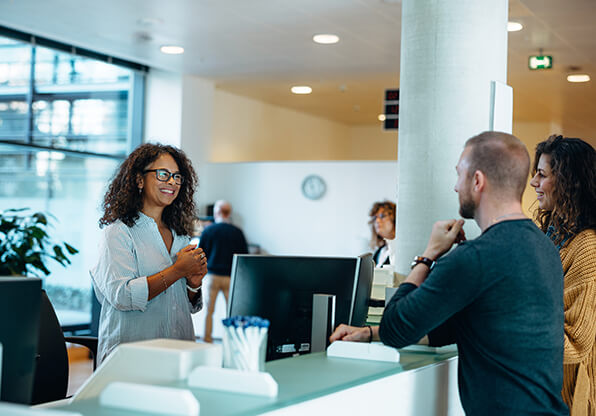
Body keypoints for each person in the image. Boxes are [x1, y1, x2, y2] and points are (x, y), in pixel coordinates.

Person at [331, 131, 568, 415]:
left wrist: (428, 255)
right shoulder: (545, 247)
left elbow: (396, 328)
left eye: (459, 174)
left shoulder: (475, 257)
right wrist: (369, 333)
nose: (456, 186)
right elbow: (451, 329)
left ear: (477, 181)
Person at [91, 143, 207, 364]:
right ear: (139, 180)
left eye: (177, 177)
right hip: (131, 357)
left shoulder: (180, 236)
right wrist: (177, 270)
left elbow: (184, 305)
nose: (172, 182)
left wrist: (193, 284)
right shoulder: (118, 232)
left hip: (179, 353)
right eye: (163, 174)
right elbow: (122, 296)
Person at [530, 135, 596, 415]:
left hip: (570, 400)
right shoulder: (553, 237)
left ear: (569, 182)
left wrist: (507, 323)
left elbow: (575, 342)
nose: (533, 182)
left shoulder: (587, 247)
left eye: (542, 175)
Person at [199, 200, 248, 342]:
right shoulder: (237, 232)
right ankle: (231, 340)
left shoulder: (208, 230)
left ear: (217, 212)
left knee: (209, 311)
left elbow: (201, 254)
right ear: (229, 213)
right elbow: (243, 256)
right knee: (231, 311)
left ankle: (207, 339)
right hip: (230, 277)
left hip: (212, 276)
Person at [368, 201, 396, 266]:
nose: (377, 221)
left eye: (382, 216)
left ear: (395, 218)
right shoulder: (379, 252)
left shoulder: (400, 251)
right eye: (375, 218)